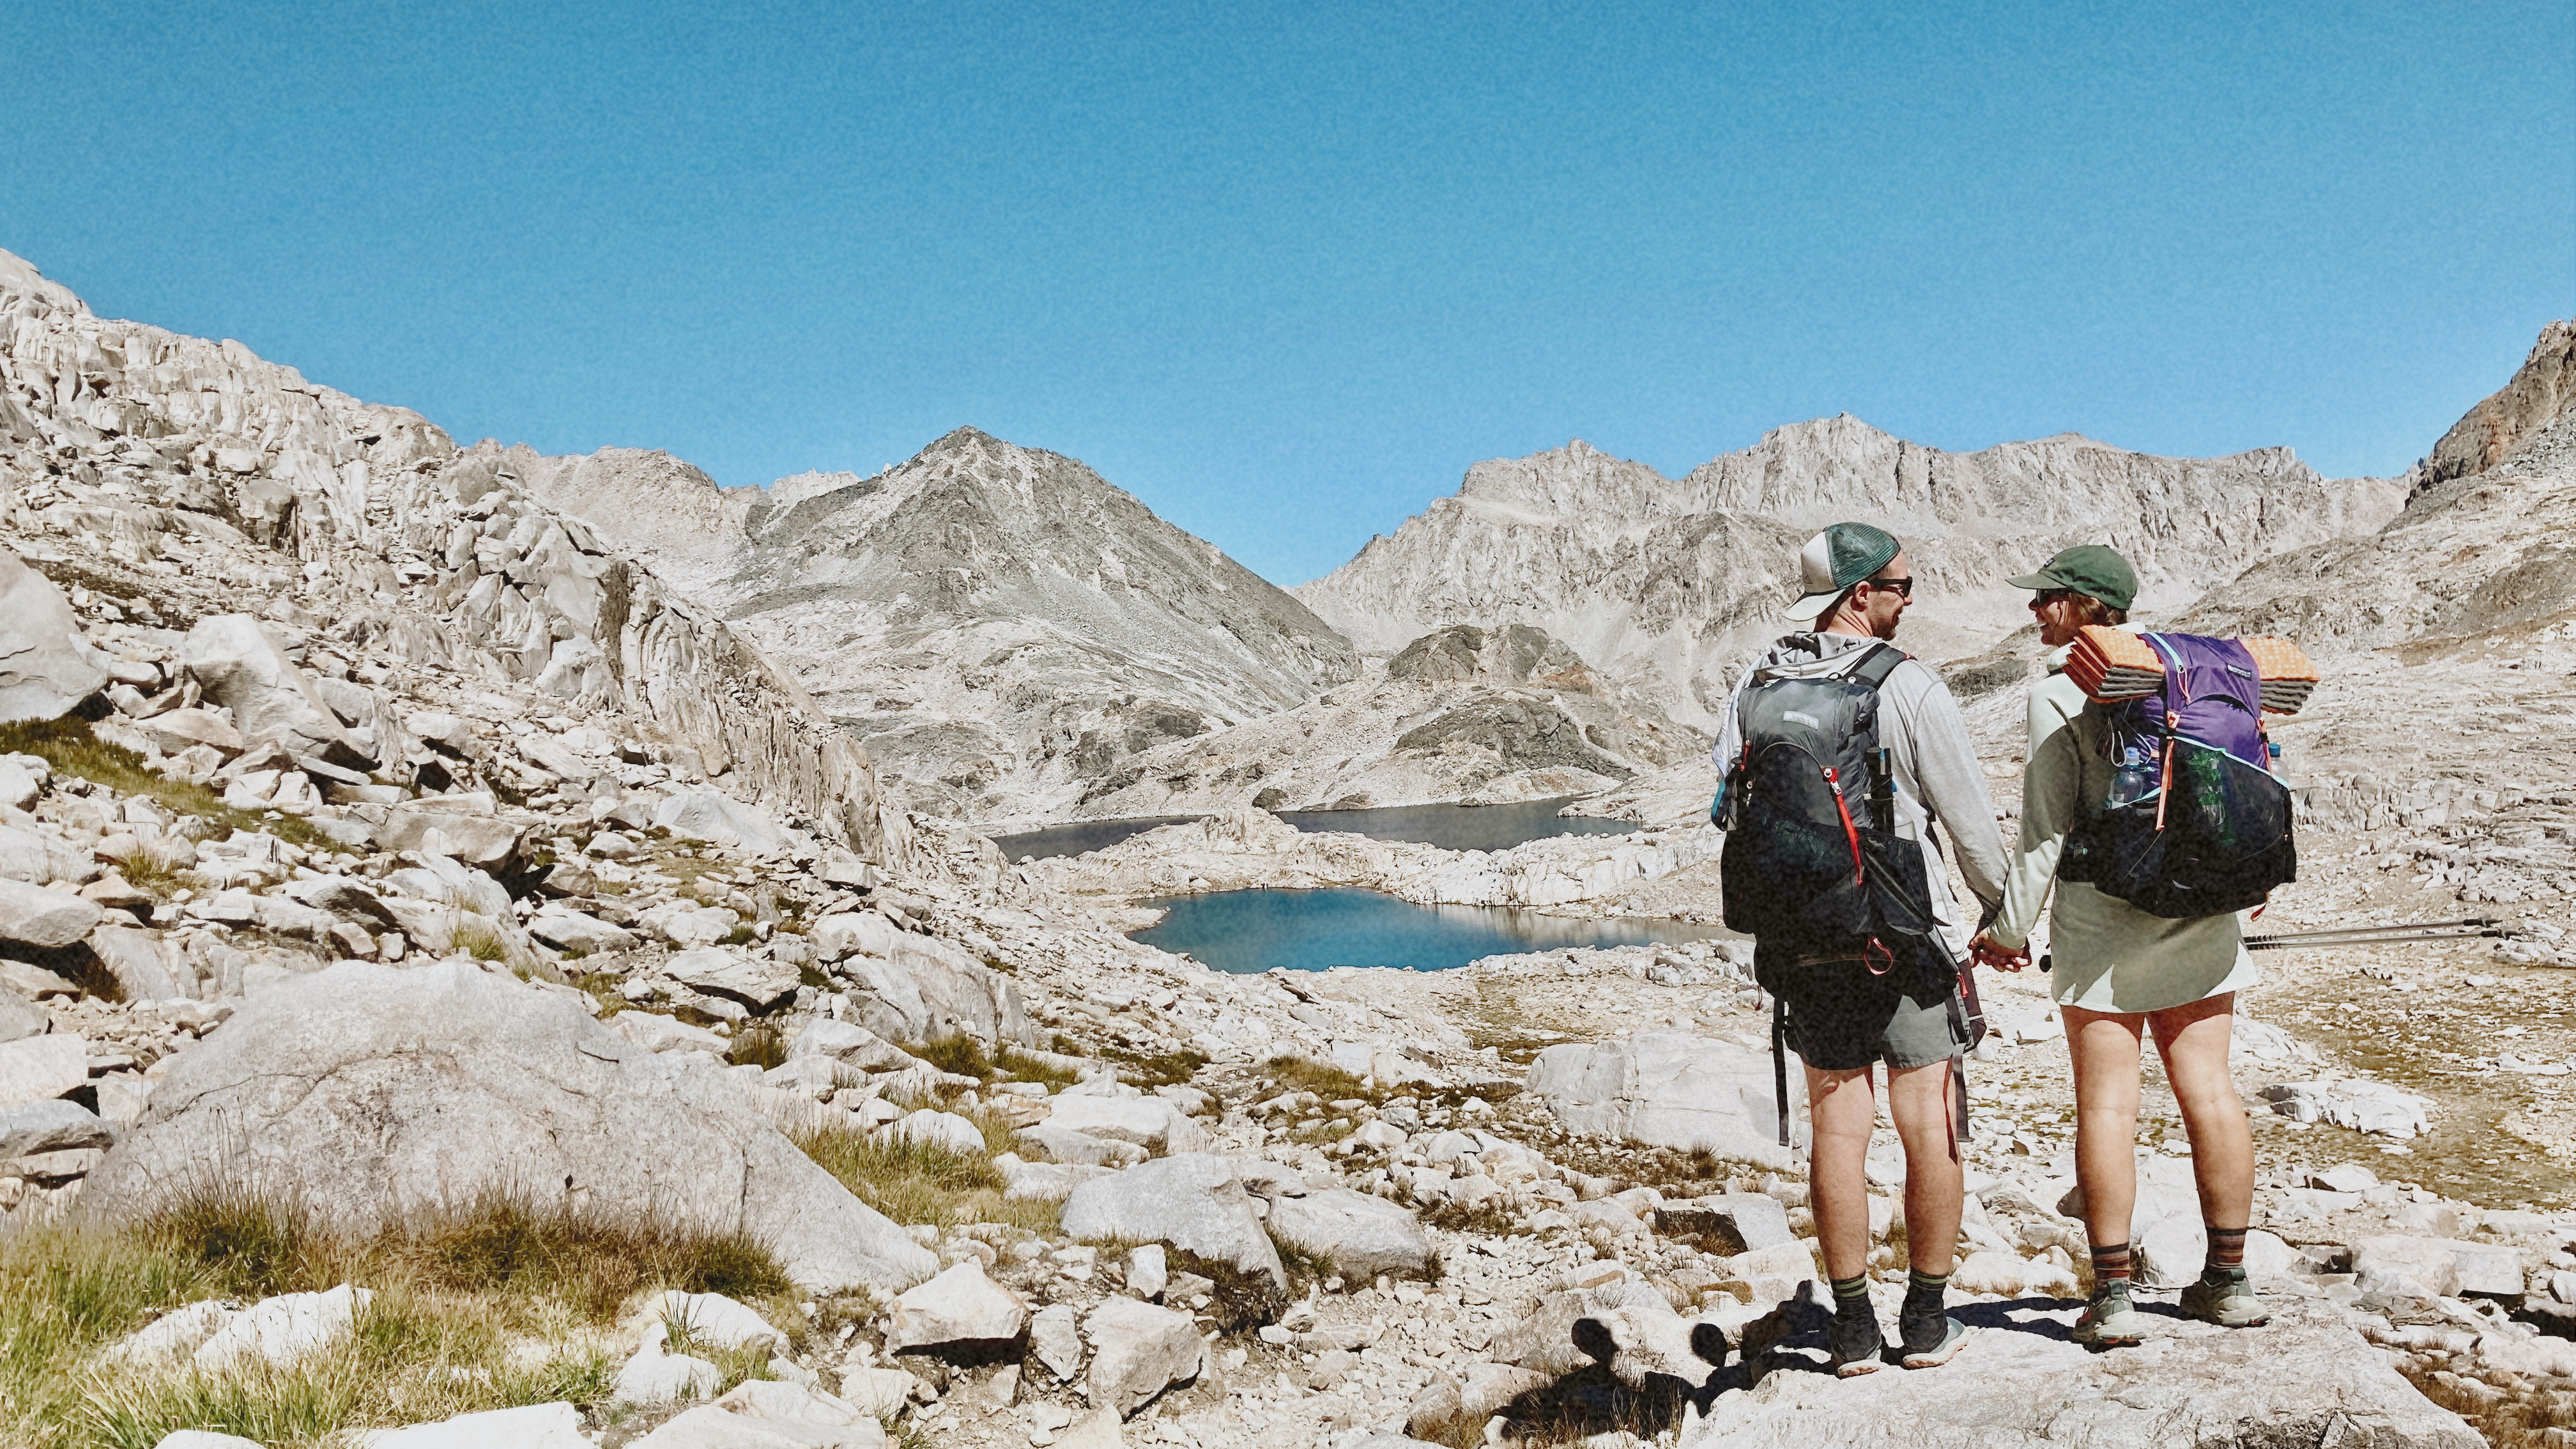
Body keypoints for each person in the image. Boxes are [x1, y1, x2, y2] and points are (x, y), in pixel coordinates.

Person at [1713, 522, 2010, 1375]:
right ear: (1859, 595)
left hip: (1806, 943)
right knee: (1930, 1126)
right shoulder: (1907, 685)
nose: (1911, 599)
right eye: (1902, 586)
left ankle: (1849, 1331)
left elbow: (1728, 810)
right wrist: (1999, 915)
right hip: (1908, 942)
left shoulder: (1754, 683)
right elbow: (1971, 825)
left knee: (1837, 1132)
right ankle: (1923, 1321)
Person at [1968, 544, 2268, 1347]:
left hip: (2101, 921)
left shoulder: (2060, 693)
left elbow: (2044, 834)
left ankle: (2112, 1300)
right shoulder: (2196, 675)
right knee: (2210, 1091)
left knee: (2106, 1105)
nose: (2035, 611)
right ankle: (2229, 1283)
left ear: (2088, 608)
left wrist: (2005, 932)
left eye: (2049, 599)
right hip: (2201, 911)